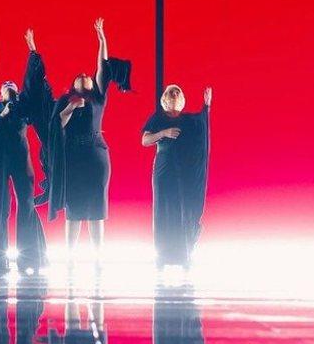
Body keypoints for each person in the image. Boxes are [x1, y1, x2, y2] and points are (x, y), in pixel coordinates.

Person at [25, 20, 132, 267]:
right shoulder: (65, 102)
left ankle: (98, 258)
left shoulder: (98, 97)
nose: (84, 75)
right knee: (73, 209)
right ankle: (70, 257)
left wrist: (102, 38)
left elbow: (102, 67)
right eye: (79, 76)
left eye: (87, 76)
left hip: (96, 157)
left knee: (96, 209)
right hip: (72, 159)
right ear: (73, 85)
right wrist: (70, 108)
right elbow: (56, 126)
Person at [0, 73, 48, 274]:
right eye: (5, 84)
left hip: (20, 159)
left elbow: (36, 106)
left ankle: (30, 258)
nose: (8, 83)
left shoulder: (23, 108)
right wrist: (2, 114)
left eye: (12, 84)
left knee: (26, 203)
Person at [141, 85, 212, 269]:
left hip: (184, 172)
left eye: (177, 93)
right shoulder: (158, 117)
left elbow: (202, 126)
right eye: (171, 93)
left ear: (181, 99)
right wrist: (163, 133)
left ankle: (183, 253)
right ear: (165, 98)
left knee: (182, 209)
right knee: (163, 209)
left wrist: (206, 106)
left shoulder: (188, 120)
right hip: (164, 171)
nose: (174, 95)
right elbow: (145, 140)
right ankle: (162, 255)